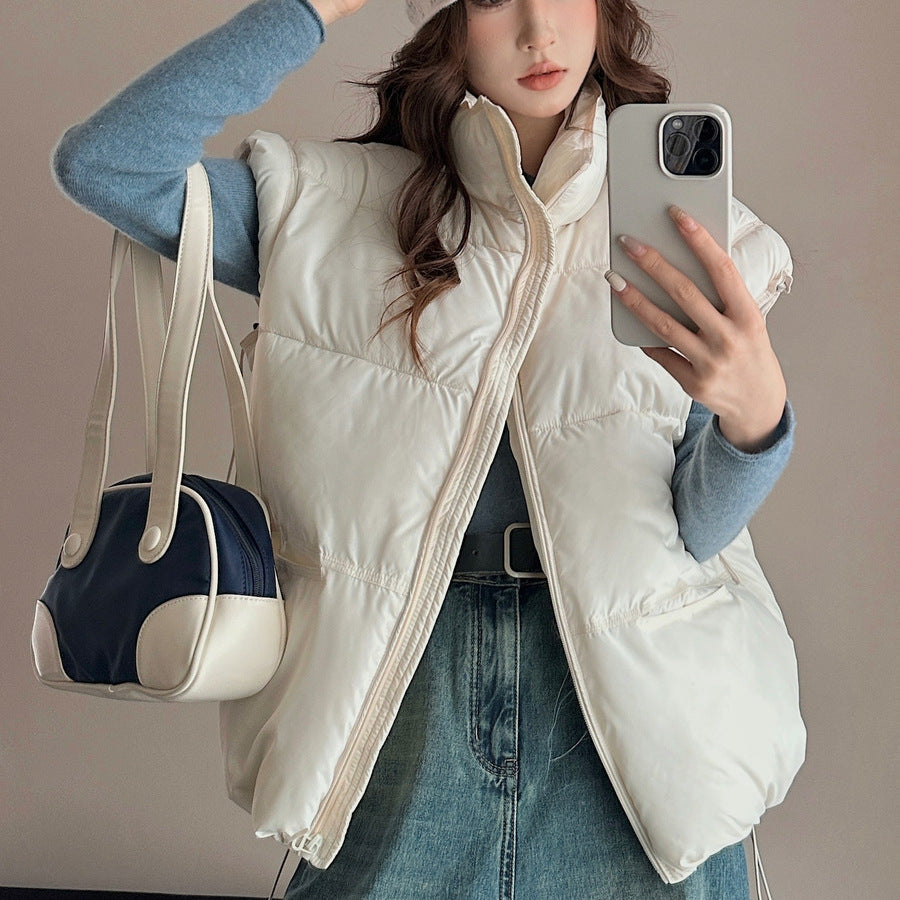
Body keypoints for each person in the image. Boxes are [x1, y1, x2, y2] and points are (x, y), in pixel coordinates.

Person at [50, 0, 806, 897]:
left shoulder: (694, 231)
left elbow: (695, 529)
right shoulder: (318, 209)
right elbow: (110, 162)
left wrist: (756, 424)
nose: (539, 30)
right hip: (404, 691)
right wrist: (314, 7)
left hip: (640, 718)